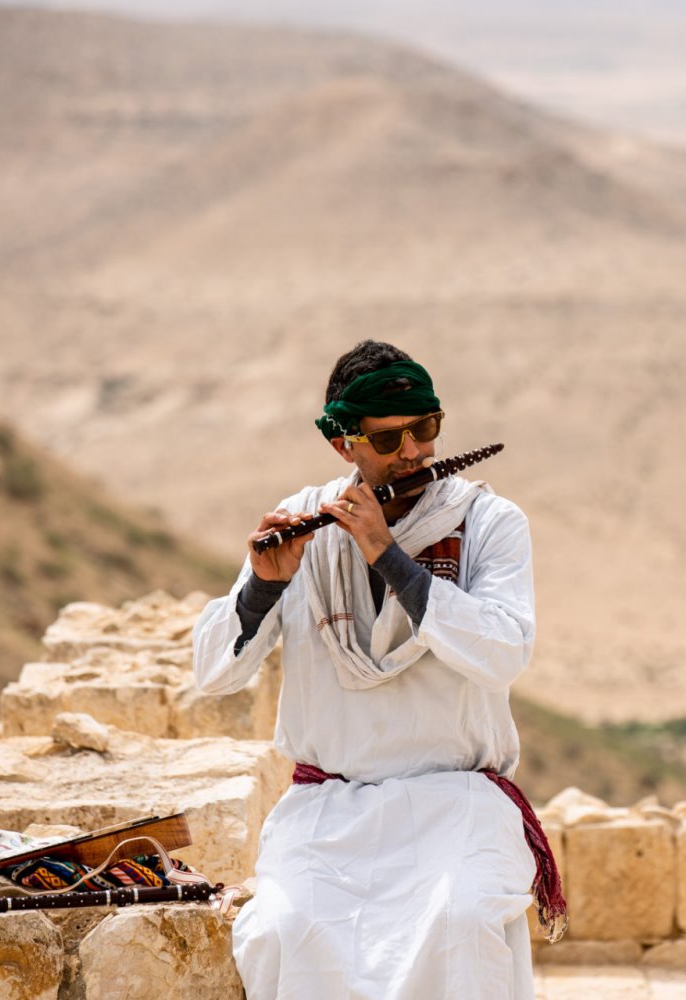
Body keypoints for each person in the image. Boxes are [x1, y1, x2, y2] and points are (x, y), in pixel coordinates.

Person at [192, 341, 562, 1000]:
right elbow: (212, 673)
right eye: (391, 439)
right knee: (278, 934)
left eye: (428, 428)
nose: (415, 452)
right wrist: (263, 588)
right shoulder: (304, 521)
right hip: (329, 813)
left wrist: (388, 556)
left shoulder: (487, 523)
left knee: (459, 924)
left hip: (457, 804)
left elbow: (505, 649)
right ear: (346, 445)